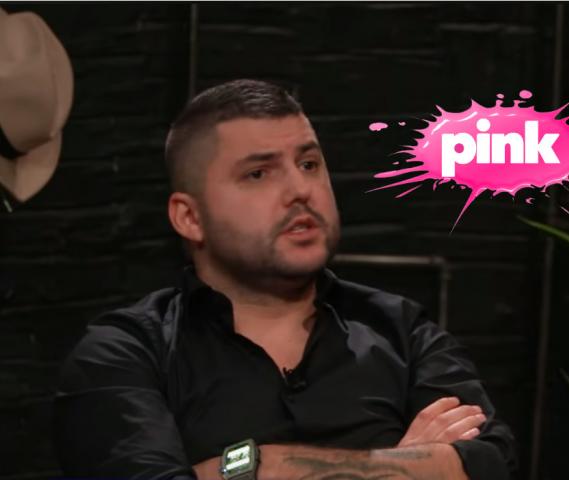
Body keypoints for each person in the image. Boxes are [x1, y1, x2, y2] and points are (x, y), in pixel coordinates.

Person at [53, 79, 517, 480]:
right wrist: (404, 464)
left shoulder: (403, 332)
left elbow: (491, 462)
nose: (300, 190)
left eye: (309, 164)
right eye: (258, 173)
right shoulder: (127, 352)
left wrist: (263, 467)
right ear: (190, 218)